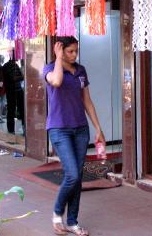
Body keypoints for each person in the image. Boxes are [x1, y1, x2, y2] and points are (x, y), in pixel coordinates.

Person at [43, 36, 105, 236]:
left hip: (80, 129)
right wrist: (59, 59)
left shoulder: (81, 70)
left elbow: (87, 100)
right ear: (60, 50)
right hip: (59, 129)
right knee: (73, 174)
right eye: (69, 51)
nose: (74, 54)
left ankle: (72, 222)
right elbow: (57, 81)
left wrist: (98, 128)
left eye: (75, 51)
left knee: (77, 179)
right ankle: (57, 213)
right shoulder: (49, 69)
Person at [2, 57, 24, 134]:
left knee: (21, 110)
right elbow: (15, 78)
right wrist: (22, 77)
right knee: (11, 110)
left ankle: (21, 129)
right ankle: (11, 130)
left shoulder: (15, 65)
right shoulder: (7, 66)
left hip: (17, 90)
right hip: (11, 91)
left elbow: (19, 76)